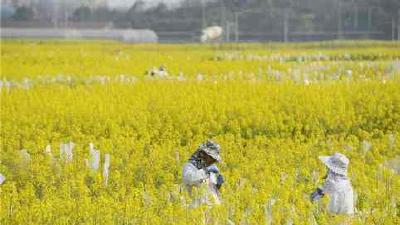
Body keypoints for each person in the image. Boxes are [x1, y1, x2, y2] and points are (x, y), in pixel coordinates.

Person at [182, 140, 224, 208]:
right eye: (211, 157)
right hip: (195, 209)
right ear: (203, 154)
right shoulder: (189, 166)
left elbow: (211, 191)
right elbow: (188, 179)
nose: (213, 161)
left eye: (214, 159)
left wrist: (218, 185)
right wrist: (205, 171)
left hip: (211, 210)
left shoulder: (211, 169)